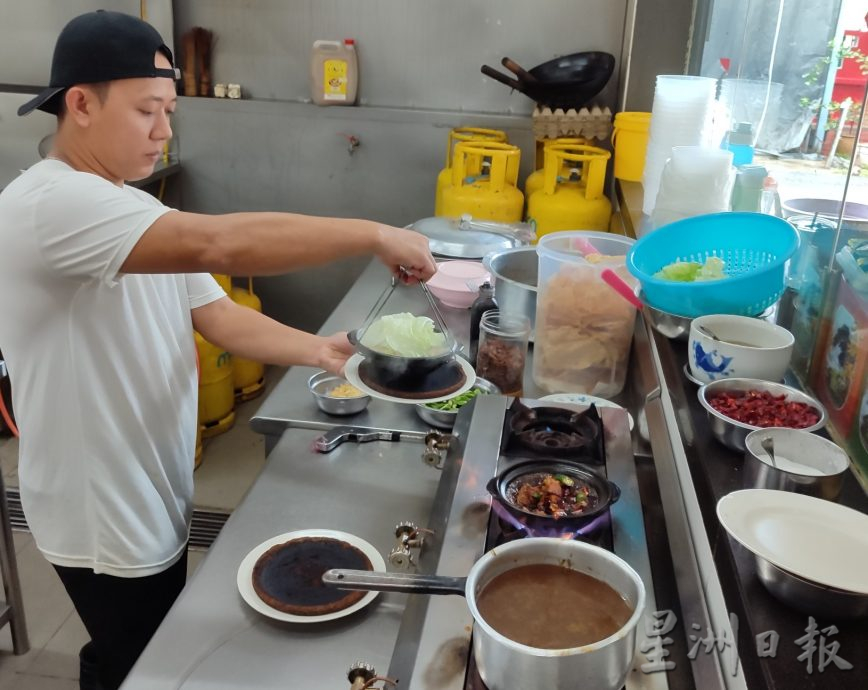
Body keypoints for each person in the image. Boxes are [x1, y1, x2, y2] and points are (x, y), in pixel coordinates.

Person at [0, 10, 436, 690]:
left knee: (136, 647)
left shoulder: (127, 207)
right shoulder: (49, 205)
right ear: (80, 104)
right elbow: (221, 244)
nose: (164, 130)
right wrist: (375, 233)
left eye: (169, 110)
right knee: (142, 665)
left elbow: (221, 317)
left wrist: (329, 353)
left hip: (150, 485)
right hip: (102, 511)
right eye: (148, 110)